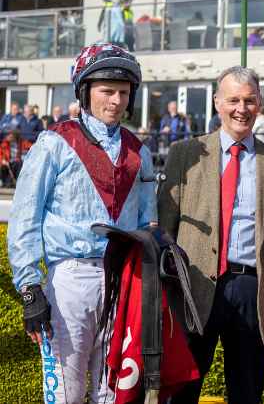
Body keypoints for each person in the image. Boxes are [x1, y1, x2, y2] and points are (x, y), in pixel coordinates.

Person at [7, 43, 156, 403]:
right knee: (66, 393)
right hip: (69, 281)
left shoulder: (140, 152)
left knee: (112, 393)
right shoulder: (54, 143)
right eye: (107, 91)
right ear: (85, 92)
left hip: (122, 280)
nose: (116, 100)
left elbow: (147, 223)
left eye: (123, 92)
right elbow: (26, 215)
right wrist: (30, 288)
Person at [159, 66, 264, 404]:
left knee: (247, 393)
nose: (241, 109)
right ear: (217, 104)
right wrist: (161, 298)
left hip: (252, 290)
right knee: (181, 390)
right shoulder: (184, 155)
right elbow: (164, 230)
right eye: (233, 100)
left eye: (250, 100)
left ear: (260, 104)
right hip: (193, 289)